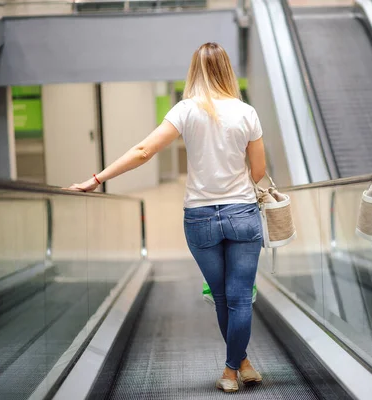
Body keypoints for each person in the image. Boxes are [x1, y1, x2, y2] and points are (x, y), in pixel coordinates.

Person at [69, 42, 266, 393]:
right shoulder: (246, 112)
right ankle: (236, 367)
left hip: (200, 218)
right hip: (242, 213)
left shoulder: (185, 110)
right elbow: (259, 171)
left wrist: (96, 179)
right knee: (239, 298)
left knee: (222, 297)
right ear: (227, 70)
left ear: (195, 72)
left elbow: (144, 151)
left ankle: (235, 367)